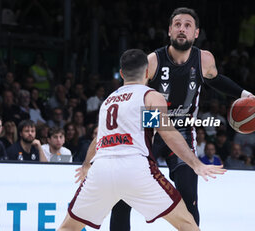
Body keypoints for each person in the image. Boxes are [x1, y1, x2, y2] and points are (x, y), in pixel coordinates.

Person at [110, 7, 255, 230]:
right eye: (178, 24)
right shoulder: (153, 60)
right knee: (124, 195)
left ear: (196, 33)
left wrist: (245, 94)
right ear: (170, 31)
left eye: (187, 25)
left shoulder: (204, 59)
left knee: (189, 195)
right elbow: (134, 97)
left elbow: (217, 80)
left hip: (182, 130)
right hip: (150, 130)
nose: (182, 29)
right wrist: (157, 126)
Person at [57, 49, 225, 231]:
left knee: (68, 227)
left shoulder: (108, 101)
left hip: (101, 170)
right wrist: (195, 163)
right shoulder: (150, 96)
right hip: (135, 167)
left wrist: (86, 166)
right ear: (147, 73)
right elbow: (166, 133)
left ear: (122, 73)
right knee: (187, 224)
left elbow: (98, 138)